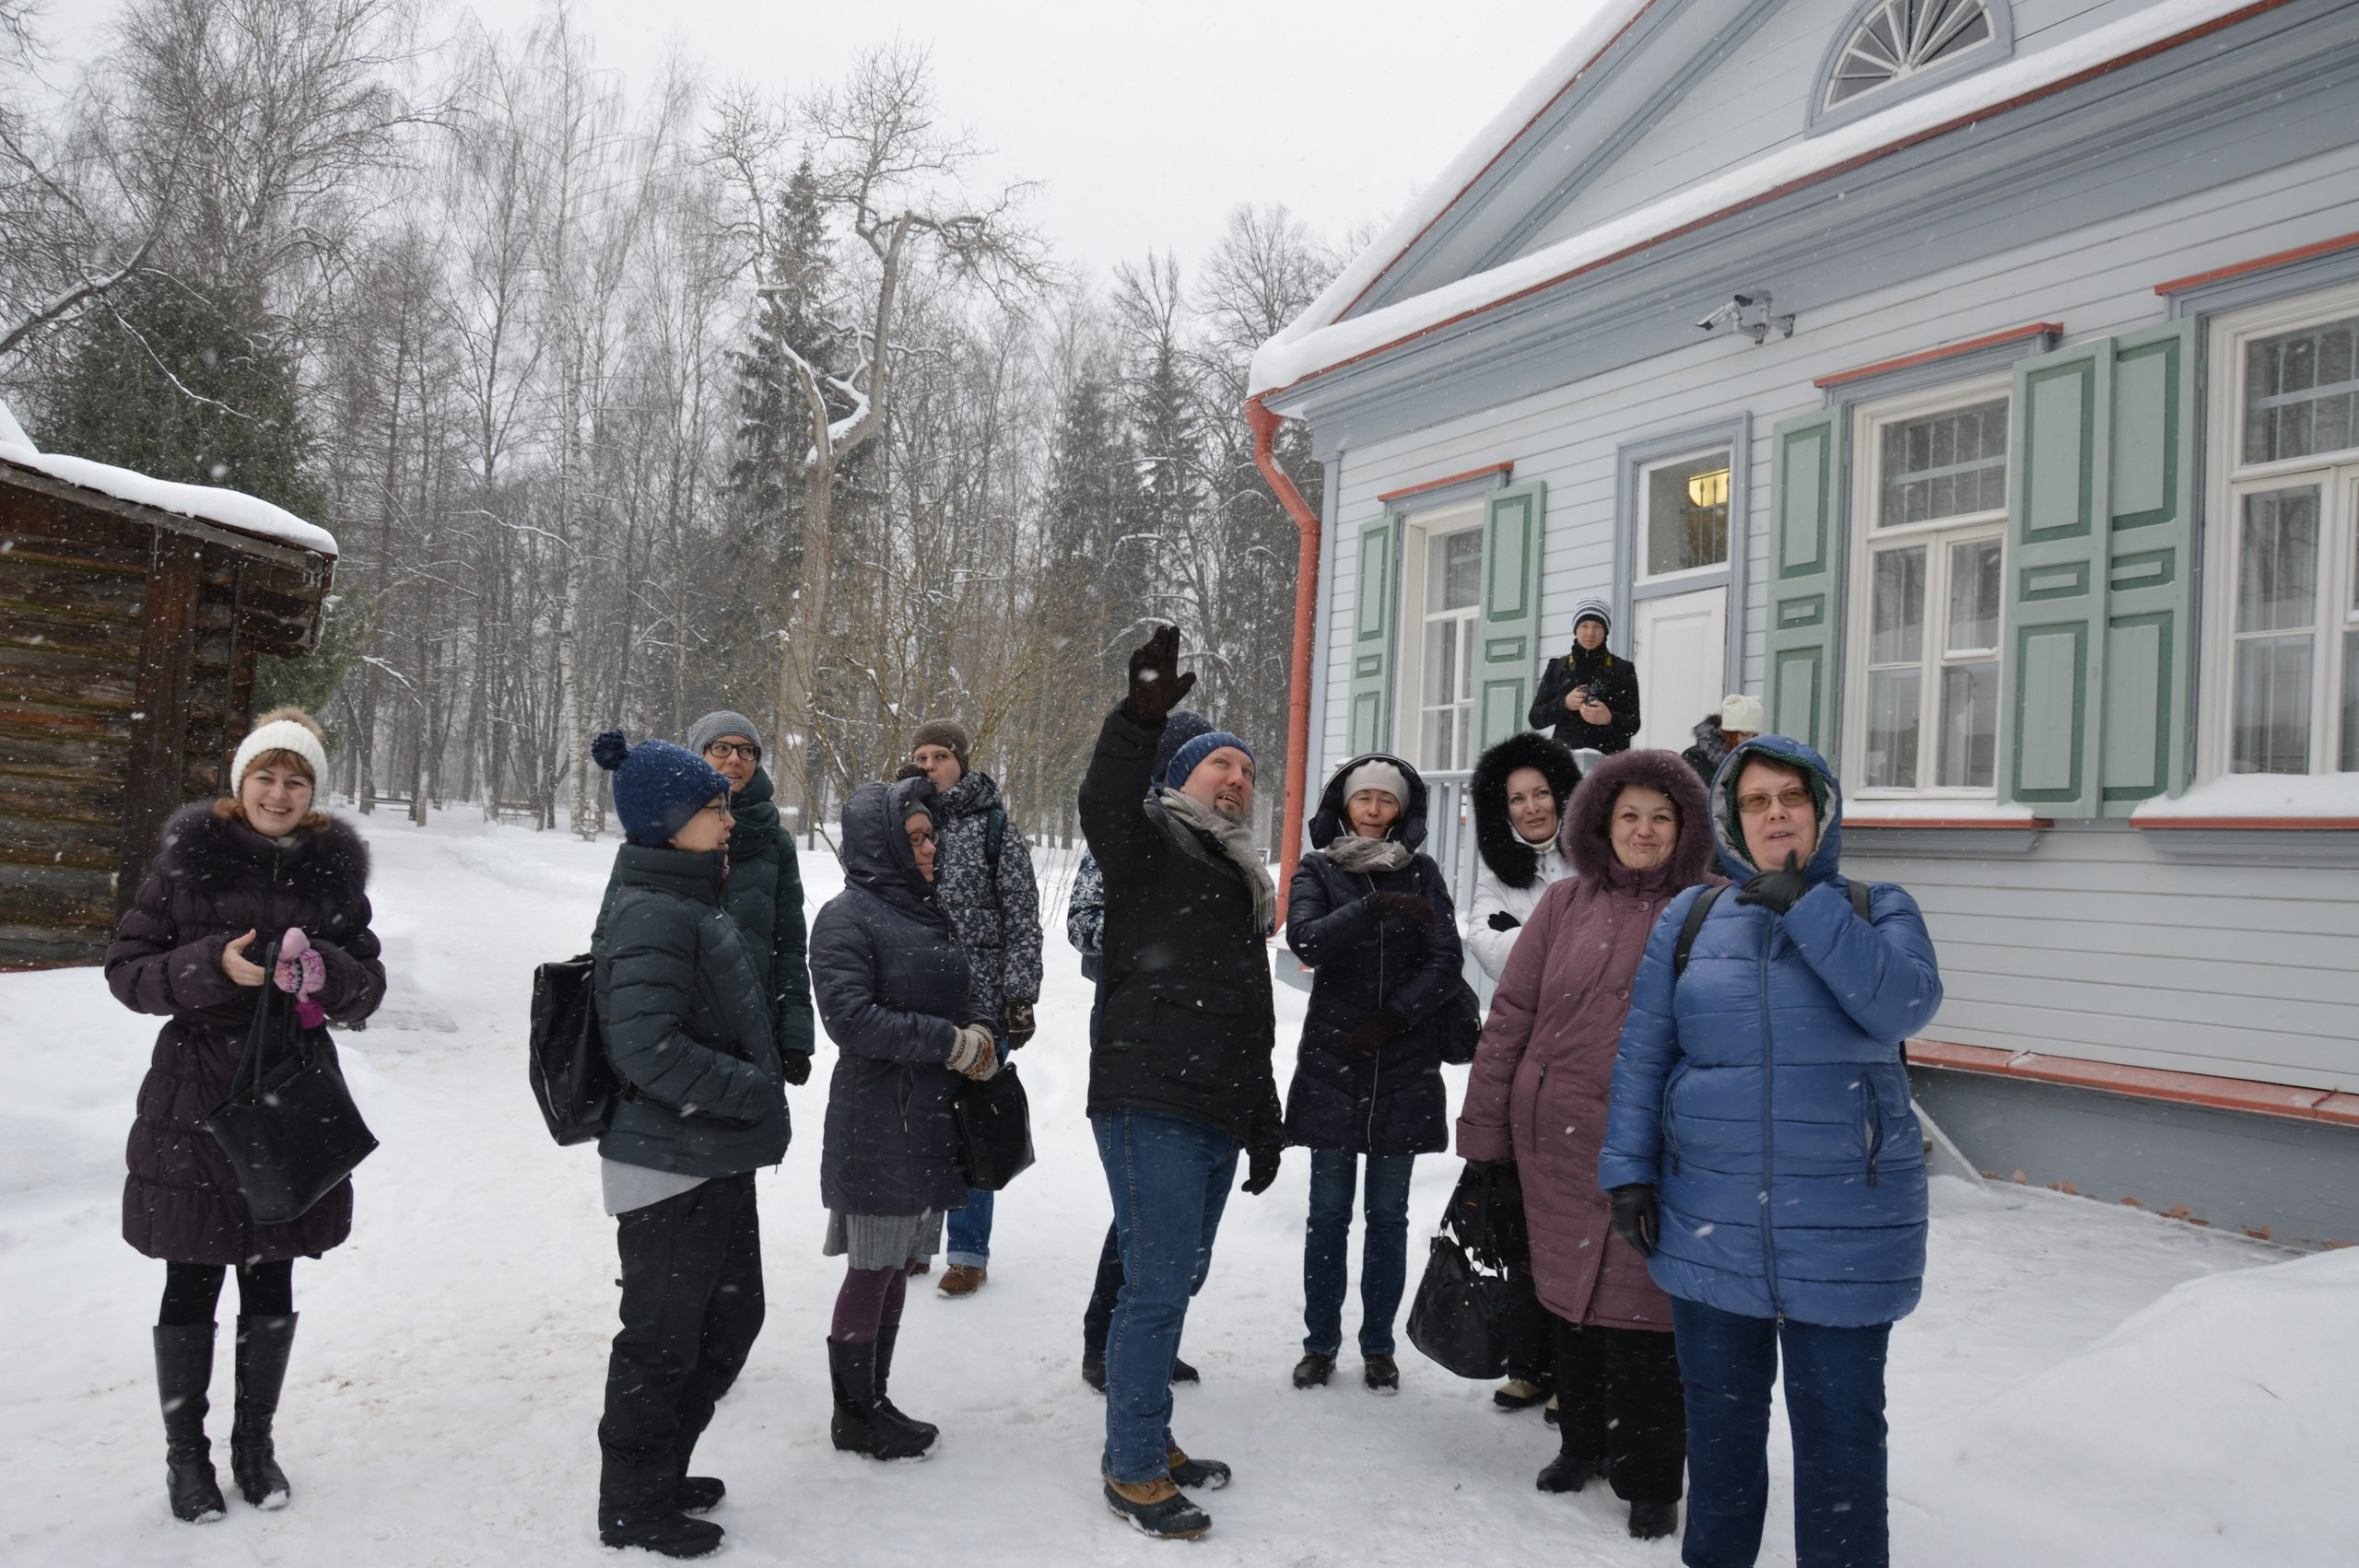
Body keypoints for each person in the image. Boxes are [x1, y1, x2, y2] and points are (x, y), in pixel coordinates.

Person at [1600, 735, 1942, 1568]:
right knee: (1720, 1441)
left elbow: (1902, 1005)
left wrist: (1806, 906)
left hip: (1845, 1230)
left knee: (1842, 1449)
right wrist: (1630, 1172)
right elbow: (1646, 1053)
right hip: (1711, 1219)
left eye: (1791, 797)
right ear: (1731, 821)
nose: (1775, 814)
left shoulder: (1876, 906)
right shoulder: (1692, 918)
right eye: (1755, 801)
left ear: (1821, 812)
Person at [105, 708, 385, 1526]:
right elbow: (127, 971)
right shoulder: (185, 864)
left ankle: (254, 1447)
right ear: (241, 783)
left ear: (313, 793)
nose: (279, 792)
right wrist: (211, 967)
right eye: (266, 775)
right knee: (190, 1276)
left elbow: (367, 988)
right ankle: (186, 1457)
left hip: (288, 1099)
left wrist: (325, 973)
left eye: (296, 779)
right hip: (193, 1101)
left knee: (272, 1272)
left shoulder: (333, 877)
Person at [1459, 749, 1716, 1541]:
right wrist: (1486, 1131)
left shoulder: (1710, 909)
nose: (1643, 830)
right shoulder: (1565, 903)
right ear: (1601, 823)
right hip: (1556, 1138)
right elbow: (1512, 1015)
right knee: (1568, 1301)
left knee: (1647, 1317)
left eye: (1661, 817)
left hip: (1657, 1145)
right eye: (1628, 814)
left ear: (1686, 828)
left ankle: (1650, 1476)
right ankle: (1581, 1444)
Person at [1080, 625, 1284, 1540]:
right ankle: (1130, 1467)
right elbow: (1104, 799)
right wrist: (1138, 718)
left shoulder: (1240, 875)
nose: (1236, 779)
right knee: (1157, 1285)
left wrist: (1264, 1118)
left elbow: (1252, 1012)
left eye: (1246, 771)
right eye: (1219, 765)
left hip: (1214, 1103)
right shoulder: (1152, 839)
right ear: (1180, 777)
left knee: (1175, 1278)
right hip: (1150, 1091)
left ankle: (1148, 1435)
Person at [588, 731, 789, 1559]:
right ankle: (633, 1506)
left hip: (708, 1153)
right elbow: (649, 1051)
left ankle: (661, 1471)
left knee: (730, 1320)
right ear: (667, 821)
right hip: (666, 1166)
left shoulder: (690, 898)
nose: (728, 819)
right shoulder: (653, 912)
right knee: (662, 1341)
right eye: (712, 807)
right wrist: (752, 1089)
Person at [808, 776, 996, 1463]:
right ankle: (853, 1415)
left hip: (928, 1119)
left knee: (895, 1267)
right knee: (872, 1268)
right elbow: (850, 1020)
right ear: (881, 844)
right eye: (915, 838)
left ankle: (875, 1400)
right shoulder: (845, 918)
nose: (929, 849)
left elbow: (964, 988)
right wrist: (949, 1042)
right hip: (878, 1121)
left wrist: (981, 1030)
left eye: (930, 837)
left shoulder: (925, 910)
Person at [1282, 753, 1462, 1394]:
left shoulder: (1424, 872)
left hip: (1404, 1063)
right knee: (1328, 1214)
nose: (1375, 809)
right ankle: (1319, 1344)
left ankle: (1379, 1347)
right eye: (1366, 798)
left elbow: (1445, 960)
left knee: (1388, 1218)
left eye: (1388, 801)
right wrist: (1374, 906)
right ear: (1346, 804)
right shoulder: (1318, 868)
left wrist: (1395, 1016)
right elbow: (1306, 940)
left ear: (1401, 811)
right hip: (1334, 1061)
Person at [1073, 710, 1215, 1394]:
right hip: (1135, 1047)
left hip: (1204, 1051)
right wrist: (1166, 942)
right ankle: (1106, 1341)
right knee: (1143, 1210)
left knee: (1178, 1216)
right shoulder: (1127, 831)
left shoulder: (1217, 840)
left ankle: (1152, 1342)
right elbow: (1084, 923)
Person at [1463, 730, 1583, 1415]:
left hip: (1587, 1065)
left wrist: (1529, 939)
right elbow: (1486, 947)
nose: (1532, 808)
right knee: (1525, 1219)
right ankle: (1532, 1364)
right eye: (1517, 799)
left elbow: (1598, 955)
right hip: (1523, 1066)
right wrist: (1563, 945)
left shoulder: (1593, 863)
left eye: (1542, 794)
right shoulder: (1497, 876)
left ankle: (1576, 1374)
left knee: (1578, 1221)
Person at [905, 718, 1042, 1298]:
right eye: (920, 757)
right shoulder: (903, 821)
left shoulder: (994, 827)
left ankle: (967, 1253)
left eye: (940, 755)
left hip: (980, 1001)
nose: (929, 766)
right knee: (916, 1122)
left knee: (973, 1125)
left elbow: (1022, 915)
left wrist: (1020, 995)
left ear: (961, 760)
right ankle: (913, 1243)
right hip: (915, 996)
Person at [685, 711, 816, 1087]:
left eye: (747, 750)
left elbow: (790, 946)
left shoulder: (775, 841)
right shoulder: (668, 826)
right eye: (721, 747)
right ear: (697, 754)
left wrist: (794, 1035)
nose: (734, 759)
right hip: (679, 1026)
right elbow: (614, 933)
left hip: (755, 1027)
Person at [1528, 596, 1640, 754]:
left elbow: (1634, 724)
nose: (1590, 633)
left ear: (1605, 631)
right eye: (1584, 625)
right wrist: (1564, 704)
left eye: (1597, 626)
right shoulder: (1558, 667)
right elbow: (1535, 719)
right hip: (1565, 761)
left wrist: (1609, 718)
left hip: (1609, 762)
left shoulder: (1623, 669)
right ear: (1575, 629)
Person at [1682, 694, 1765, 788]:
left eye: (1754, 735)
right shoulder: (1695, 757)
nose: (1749, 740)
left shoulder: (1754, 761)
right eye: (1744, 734)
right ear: (1728, 733)